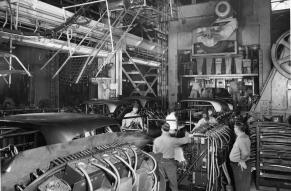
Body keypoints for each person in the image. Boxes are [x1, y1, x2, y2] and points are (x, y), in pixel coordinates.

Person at [153, 122, 191, 191]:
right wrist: (187, 134)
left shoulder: (156, 141)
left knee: (161, 183)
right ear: (169, 129)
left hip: (159, 163)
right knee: (173, 184)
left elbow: (154, 153)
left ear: (161, 129)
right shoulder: (172, 140)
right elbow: (186, 140)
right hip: (170, 163)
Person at [229, 122, 251, 191]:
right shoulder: (243, 136)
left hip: (239, 165)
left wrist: (242, 160)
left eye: (235, 127)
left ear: (237, 129)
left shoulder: (241, 139)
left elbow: (245, 153)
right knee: (240, 182)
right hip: (238, 164)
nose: (234, 129)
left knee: (240, 184)